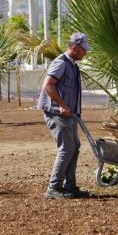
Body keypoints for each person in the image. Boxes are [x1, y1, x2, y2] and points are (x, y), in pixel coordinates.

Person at [37, 32, 90, 199]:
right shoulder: (60, 63)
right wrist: (62, 106)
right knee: (66, 148)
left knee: (74, 147)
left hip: (70, 115)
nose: (85, 53)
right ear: (74, 48)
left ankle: (69, 186)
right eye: (83, 50)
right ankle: (54, 187)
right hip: (57, 113)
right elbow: (48, 85)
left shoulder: (72, 65)